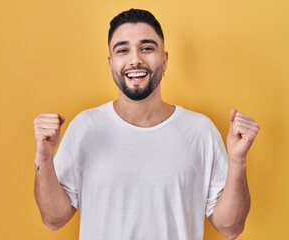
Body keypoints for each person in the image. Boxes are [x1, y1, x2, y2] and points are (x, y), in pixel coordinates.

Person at [33, 9, 259, 240]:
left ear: (164, 58)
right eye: (122, 50)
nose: (135, 59)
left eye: (147, 48)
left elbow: (230, 228)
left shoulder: (200, 131)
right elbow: (54, 219)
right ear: (111, 62)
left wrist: (237, 161)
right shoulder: (85, 127)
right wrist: (43, 158)